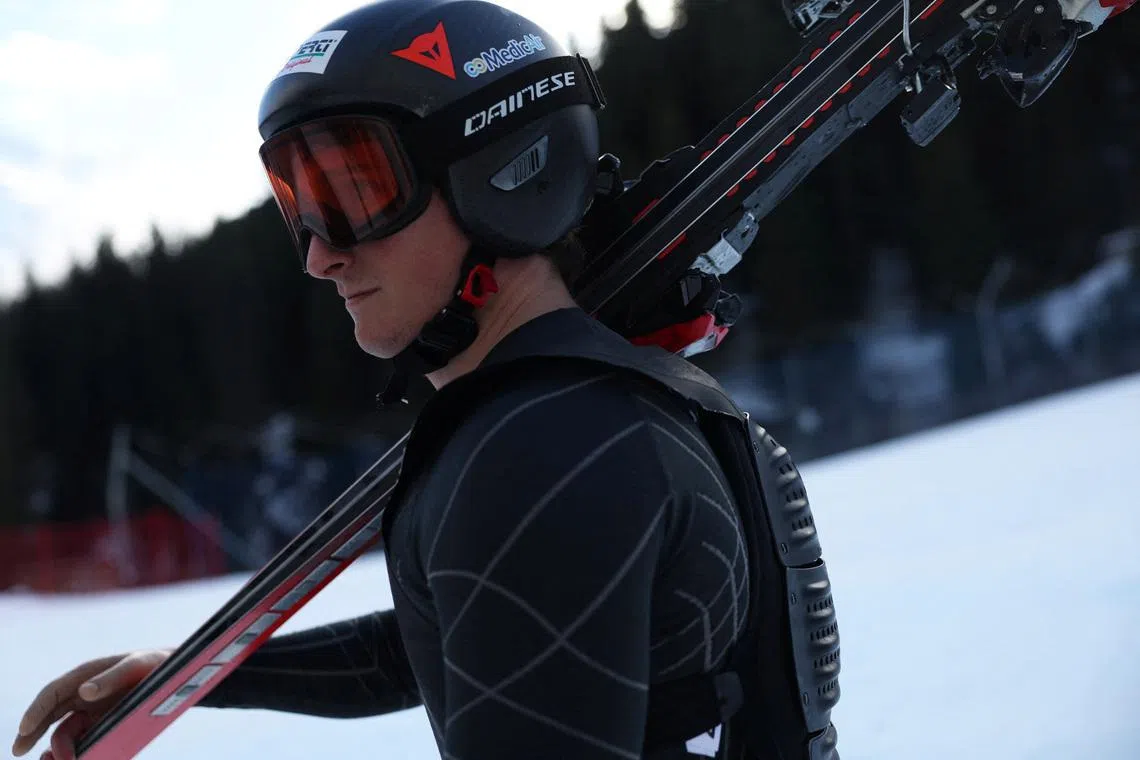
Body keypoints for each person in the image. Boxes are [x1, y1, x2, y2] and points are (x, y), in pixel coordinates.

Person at [12, 1, 844, 759]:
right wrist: (198, 675)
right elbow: (473, 635)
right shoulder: (592, 414)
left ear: (505, 173)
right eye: (302, 203)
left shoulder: (536, 451)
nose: (319, 253)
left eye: (354, 195)